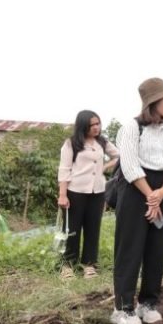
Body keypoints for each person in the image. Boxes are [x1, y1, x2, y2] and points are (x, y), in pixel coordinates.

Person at [110, 77, 163, 324]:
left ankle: (148, 303)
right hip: (135, 189)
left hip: (162, 189)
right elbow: (129, 164)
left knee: (155, 249)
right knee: (130, 248)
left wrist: (162, 192)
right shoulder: (131, 128)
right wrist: (150, 195)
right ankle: (123, 307)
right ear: (151, 102)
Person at [57, 110, 119, 279]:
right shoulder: (71, 144)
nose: (96, 127)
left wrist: (105, 167)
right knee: (72, 229)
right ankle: (67, 265)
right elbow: (64, 169)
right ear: (83, 125)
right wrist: (63, 195)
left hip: (98, 192)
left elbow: (119, 156)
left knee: (93, 229)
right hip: (75, 191)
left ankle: (89, 265)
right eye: (92, 125)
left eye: (98, 123)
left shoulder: (102, 142)